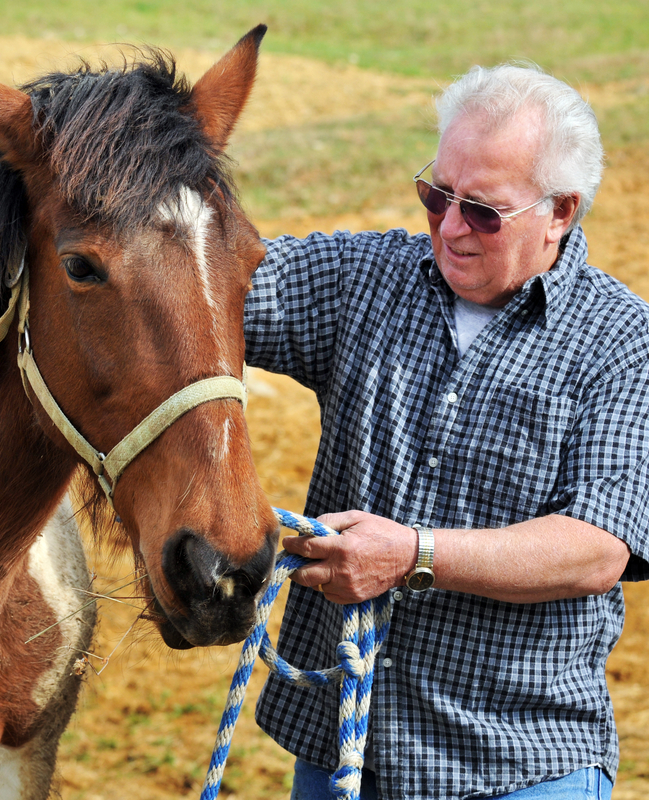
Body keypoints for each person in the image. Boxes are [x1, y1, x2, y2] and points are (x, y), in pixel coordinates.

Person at [244, 62, 649, 800]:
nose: (451, 227)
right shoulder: (362, 277)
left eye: (484, 211)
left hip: (518, 765)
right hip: (343, 759)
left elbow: (597, 547)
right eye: (437, 195)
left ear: (561, 211)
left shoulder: (621, 341)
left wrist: (411, 556)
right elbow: (210, 285)